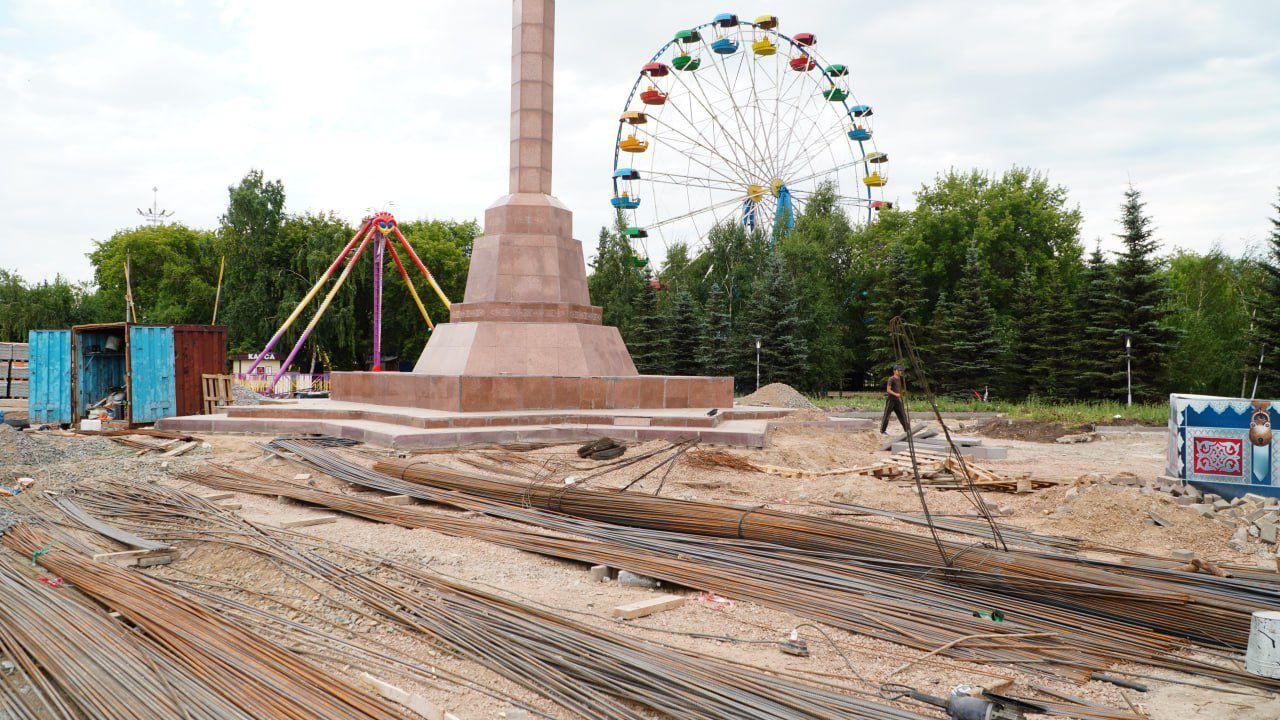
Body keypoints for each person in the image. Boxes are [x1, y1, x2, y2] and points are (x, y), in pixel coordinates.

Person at [880, 365, 909, 435]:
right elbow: (888, 390)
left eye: (900, 370)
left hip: (897, 400)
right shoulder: (891, 379)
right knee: (887, 415)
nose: (900, 372)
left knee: (902, 414)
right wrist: (896, 394)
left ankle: (907, 429)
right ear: (894, 371)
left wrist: (901, 393)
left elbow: (898, 389)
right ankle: (882, 431)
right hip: (891, 400)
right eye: (898, 370)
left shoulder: (899, 379)